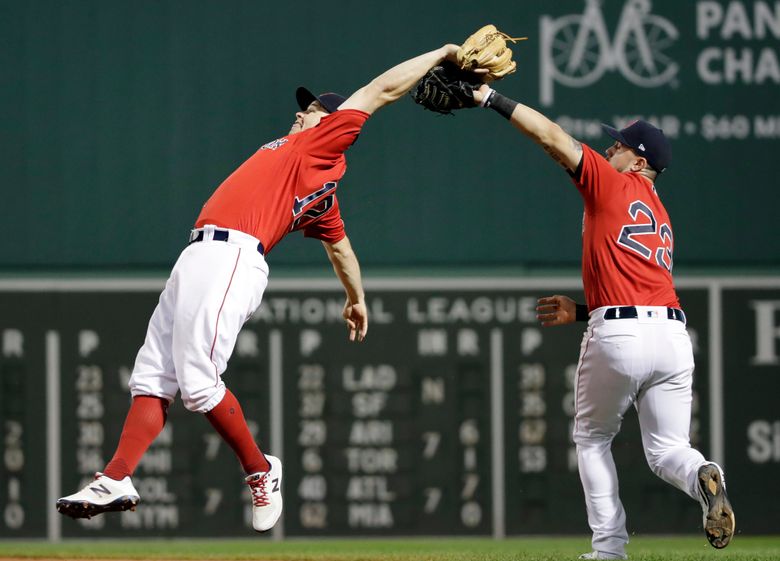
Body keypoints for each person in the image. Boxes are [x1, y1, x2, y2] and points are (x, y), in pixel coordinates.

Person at [56, 43, 467, 532]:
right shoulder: (313, 183)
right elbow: (341, 250)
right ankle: (116, 476)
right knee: (152, 378)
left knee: (199, 381)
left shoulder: (320, 146)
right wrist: (356, 299)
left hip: (231, 257)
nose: (301, 112)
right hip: (199, 257)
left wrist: (441, 53)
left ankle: (261, 470)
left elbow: (381, 90)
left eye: (314, 109)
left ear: (333, 124)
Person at [470, 85, 735, 559]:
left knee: (592, 438)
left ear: (638, 162)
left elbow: (552, 137)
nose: (609, 147)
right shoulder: (661, 214)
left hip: (620, 332)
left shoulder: (613, 183)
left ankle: (609, 548)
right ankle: (702, 474)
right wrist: (582, 310)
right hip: (673, 334)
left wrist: (491, 98)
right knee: (668, 450)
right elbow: (634, 283)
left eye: (619, 144)